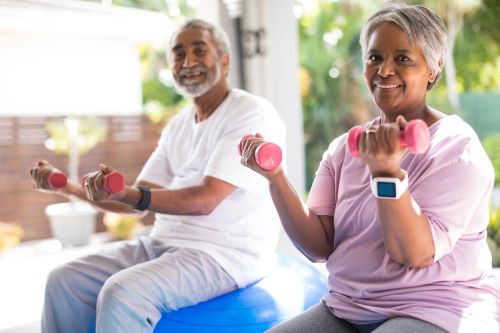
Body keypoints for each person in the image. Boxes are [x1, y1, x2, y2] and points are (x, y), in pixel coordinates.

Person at [241, 3, 499, 333]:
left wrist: (386, 173)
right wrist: (275, 178)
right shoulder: (342, 149)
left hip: (434, 308)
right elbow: (318, 246)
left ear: (433, 68)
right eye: (375, 57)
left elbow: (414, 253)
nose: (384, 70)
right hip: (348, 307)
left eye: (402, 58)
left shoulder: (458, 148)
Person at [29, 19, 286, 333]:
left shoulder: (250, 112)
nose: (188, 61)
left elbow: (205, 200)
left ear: (224, 60)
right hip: (162, 244)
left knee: (122, 294)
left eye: (199, 50)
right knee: (63, 280)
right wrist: (68, 187)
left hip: (224, 254)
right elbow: (132, 200)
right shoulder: (178, 124)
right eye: (178, 54)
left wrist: (131, 195)